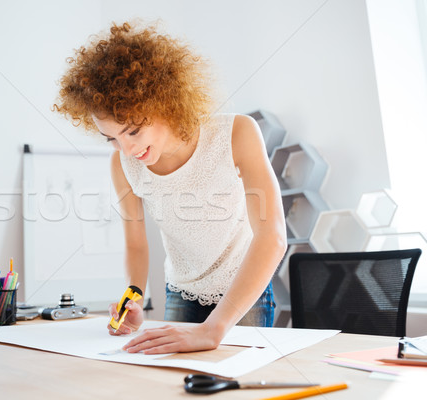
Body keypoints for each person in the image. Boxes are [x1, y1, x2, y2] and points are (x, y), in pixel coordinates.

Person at [53, 21, 287, 354]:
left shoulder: (236, 134)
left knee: (232, 380)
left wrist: (214, 329)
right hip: (180, 290)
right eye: (113, 138)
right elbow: (136, 244)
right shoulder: (122, 163)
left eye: (133, 131)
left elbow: (273, 237)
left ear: (165, 101)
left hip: (243, 289)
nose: (128, 149)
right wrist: (133, 297)